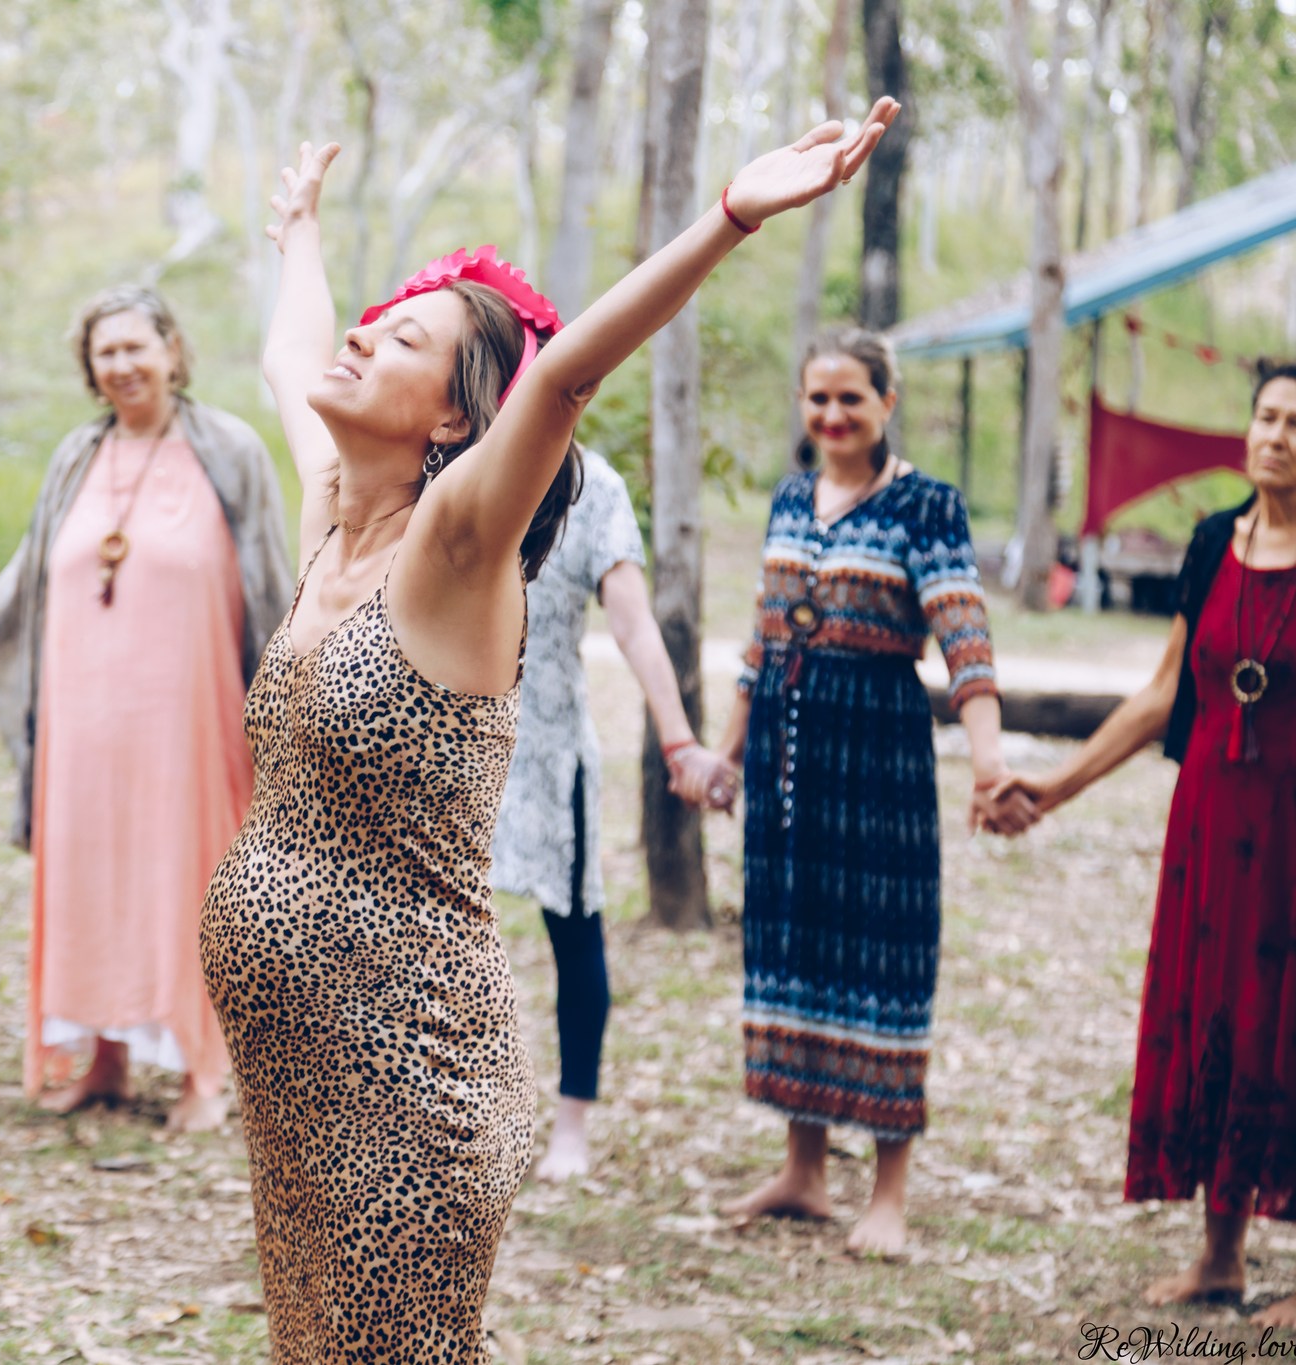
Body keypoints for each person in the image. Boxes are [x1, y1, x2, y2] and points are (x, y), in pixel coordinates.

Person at [200, 102, 899, 1362]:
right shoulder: (330, 521)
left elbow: (567, 374)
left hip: (407, 1080)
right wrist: (297, 233)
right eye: (372, 320)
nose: (360, 335)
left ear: (452, 422)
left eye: (400, 338)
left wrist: (730, 218)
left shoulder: (452, 551)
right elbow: (292, 345)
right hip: (300, 1074)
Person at [0, 286, 291, 1133]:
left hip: (189, 721)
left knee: (190, 878)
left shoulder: (230, 450)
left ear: (173, 351)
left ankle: (203, 1071)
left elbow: (273, 580)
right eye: (105, 352)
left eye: (136, 347)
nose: (122, 365)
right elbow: (25, 577)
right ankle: (104, 1057)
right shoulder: (77, 455)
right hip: (83, 724)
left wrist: (294, 703)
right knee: (92, 876)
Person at [991, 360, 1296, 1330]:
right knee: (1220, 1018)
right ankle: (1219, 1257)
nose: (1275, 437)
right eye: (1265, 417)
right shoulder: (1214, 541)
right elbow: (1163, 692)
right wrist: (1053, 787)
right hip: (1209, 828)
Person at [710, 328, 1034, 1256]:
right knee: (796, 942)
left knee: (886, 952)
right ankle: (804, 1169)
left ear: (888, 402)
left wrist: (987, 764)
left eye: (851, 397)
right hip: (786, 761)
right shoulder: (789, 498)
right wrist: (728, 752)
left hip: (879, 764)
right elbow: (763, 638)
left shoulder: (927, 505)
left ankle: (888, 1192)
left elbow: (965, 639)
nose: (832, 415)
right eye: (818, 398)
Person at [490, 443, 729, 1181]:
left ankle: (571, 1124)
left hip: (549, 744)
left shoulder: (593, 486)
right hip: (453, 738)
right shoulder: (453, 462)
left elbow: (633, 625)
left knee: (575, 930)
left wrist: (678, 739)